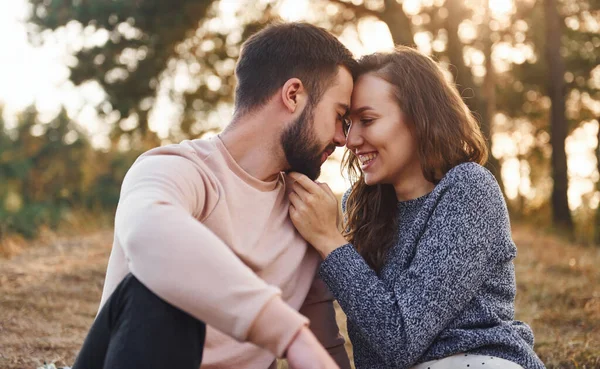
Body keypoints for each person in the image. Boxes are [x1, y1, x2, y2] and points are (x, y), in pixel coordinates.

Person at [72, 22, 357, 369]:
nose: (343, 139)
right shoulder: (176, 169)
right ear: (293, 95)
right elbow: (150, 234)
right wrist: (288, 334)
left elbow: (323, 347)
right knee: (156, 293)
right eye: (339, 116)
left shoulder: (307, 211)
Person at [287, 46, 546, 369]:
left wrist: (330, 241)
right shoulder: (361, 207)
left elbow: (401, 339)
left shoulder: (468, 188)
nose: (351, 140)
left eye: (367, 120)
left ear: (420, 118)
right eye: (349, 122)